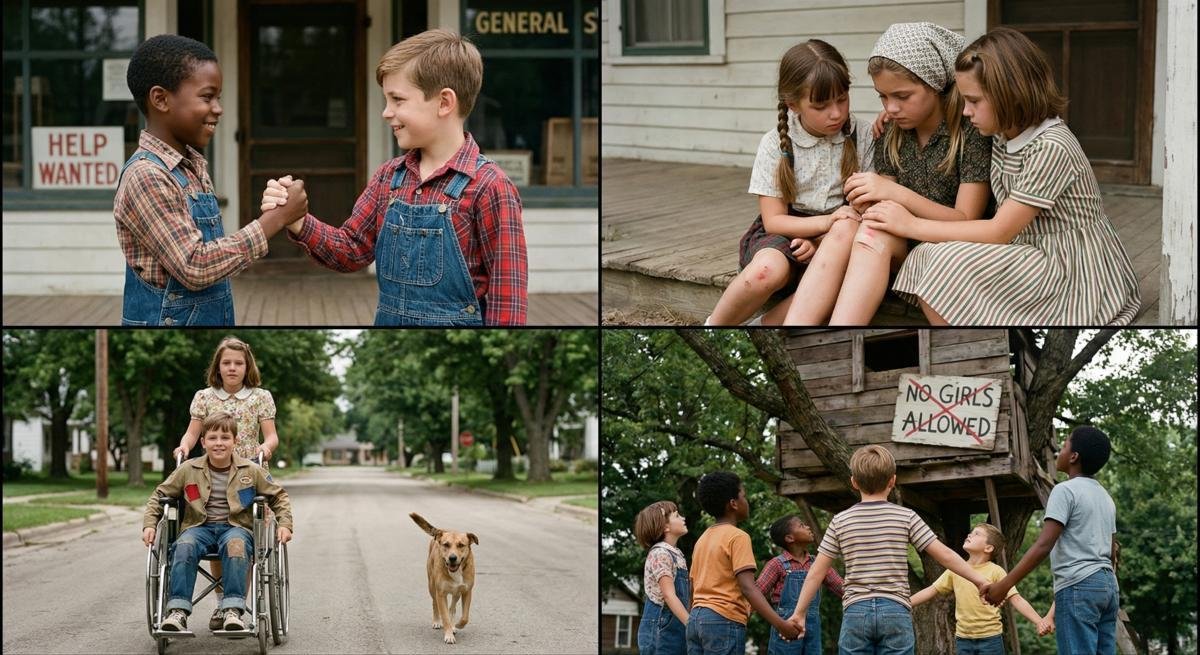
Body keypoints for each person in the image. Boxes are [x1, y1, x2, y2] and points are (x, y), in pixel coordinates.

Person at [874, 27, 1140, 324]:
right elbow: (941, 97)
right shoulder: (1003, 132)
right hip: (1027, 247)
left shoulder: (1051, 146)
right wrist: (893, 111)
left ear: (1010, 94)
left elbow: (998, 232)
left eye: (974, 101)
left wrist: (910, 225)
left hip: (1069, 266)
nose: (965, 111)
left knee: (943, 261)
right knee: (927, 255)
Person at [260, 29, 527, 325]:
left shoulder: (490, 186)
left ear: (444, 102)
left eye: (397, 100)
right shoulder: (389, 177)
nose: (386, 112)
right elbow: (351, 250)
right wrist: (296, 219)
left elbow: (509, 301)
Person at [116, 34, 307, 326]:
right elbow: (195, 266)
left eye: (218, 97)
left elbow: (213, 256)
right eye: (207, 97)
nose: (218, 108)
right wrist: (275, 220)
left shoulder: (192, 166)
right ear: (161, 99)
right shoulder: (147, 175)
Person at [827, 22, 994, 325]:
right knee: (872, 229)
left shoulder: (971, 132)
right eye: (883, 97)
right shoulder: (891, 132)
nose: (891, 108)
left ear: (935, 83)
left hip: (953, 250)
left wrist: (894, 193)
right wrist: (866, 198)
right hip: (902, 247)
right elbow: (883, 207)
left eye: (902, 96)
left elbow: (966, 218)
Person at [705, 39, 873, 326]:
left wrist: (820, 241)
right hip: (786, 232)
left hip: (841, 235)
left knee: (834, 284)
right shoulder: (775, 144)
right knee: (765, 271)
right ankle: (714, 325)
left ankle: (761, 328)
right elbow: (774, 221)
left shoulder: (863, 135)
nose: (836, 113)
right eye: (821, 105)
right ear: (793, 104)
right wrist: (820, 226)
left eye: (842, 99)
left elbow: (865, 207)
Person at [784, 445, 991, 654]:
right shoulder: (906, 517)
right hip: (895, 610)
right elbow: (945, 555)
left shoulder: (840, 521)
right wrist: (980, 581)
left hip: (856, 611)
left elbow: (816, 573)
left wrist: (799, 613)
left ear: (854, 482)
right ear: (892, 481)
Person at [142, 412, 293, 633]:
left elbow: (279, 496)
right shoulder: (188, 469)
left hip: (236, 528)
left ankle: (231, 610)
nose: (219, 443)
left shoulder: (251, 470)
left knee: (235, 546)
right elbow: (159, 494)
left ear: (235, 441)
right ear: (203, 442)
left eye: (225, 438)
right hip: (197, 528)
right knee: (183, 546)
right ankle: (177, 612)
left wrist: (285, 524)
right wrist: (150, 524)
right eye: (213, 438)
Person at [981, 426, 1120, 654]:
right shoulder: (1106, 497)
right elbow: (1112, 553)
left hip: (1078, 585)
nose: (1058, 451)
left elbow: (1044, 545)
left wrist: (1003, 587)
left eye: (1064, 446)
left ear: (1074, 457)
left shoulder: (1064, 491)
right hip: (1108, 587)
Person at [172, 336, 279, 630]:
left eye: (238, 363)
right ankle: (223, 604)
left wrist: (266, 447)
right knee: (214, 526)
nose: (232, 368)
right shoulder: (204, 397)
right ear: (218, 367)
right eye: (226, 363)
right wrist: (184, 447)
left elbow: (271, 435)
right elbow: (192, 433)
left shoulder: (260, 397)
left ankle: (235, 605)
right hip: (212, 472)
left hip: (248, 473)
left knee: (241, 537)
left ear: (247, 367)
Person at [687, 471, 799, 654]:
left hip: (695, 619)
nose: (747, 501)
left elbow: (692, 587)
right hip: (723, 619)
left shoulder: (702, 539)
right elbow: (748, 588)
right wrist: (781, 625)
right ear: (733, 503)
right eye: (744, 496)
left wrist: (691, 620)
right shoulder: (738, 537)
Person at [910, 523, 1044, 654]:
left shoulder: (996, 571)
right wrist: (905, 603)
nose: (970, 534)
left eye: (976, 534)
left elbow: (1017, 599)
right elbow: (931, 590)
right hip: (963, 639)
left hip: (991, 639)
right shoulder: (956, 569)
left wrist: (1038, 621)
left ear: (988, 548)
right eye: (971, 532)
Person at [755, 515, 844, 655]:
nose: (808, 527)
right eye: (802, 525)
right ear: (790, 538)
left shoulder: (818, 564)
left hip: (813, 631)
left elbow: (841, 588)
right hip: (786, 629)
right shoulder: (777, 564)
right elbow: (756, 594)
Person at [634, 500, 691, 655]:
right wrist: (691, 625)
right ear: (665, 527)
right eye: (677, 516)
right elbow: (669, 595)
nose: (683, 518)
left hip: (676, 629)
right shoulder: (660, 553)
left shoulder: (676, 554)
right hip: (660, 630)